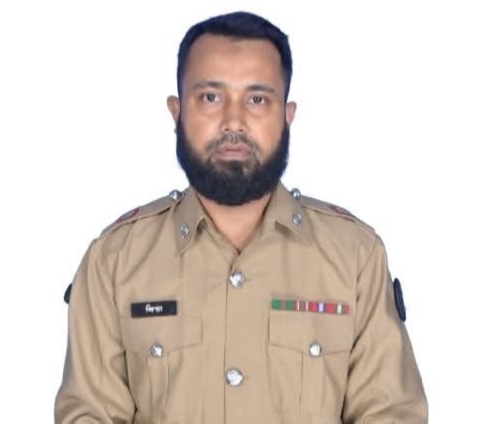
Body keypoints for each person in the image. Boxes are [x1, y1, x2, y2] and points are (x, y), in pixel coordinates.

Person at [55, 11, 428, 424]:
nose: (233, 122)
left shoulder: (355, 257)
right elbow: (89, 413)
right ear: (177, 112)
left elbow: (390, 414)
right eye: (210, 98)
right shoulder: (115, 261)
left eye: (257, 99)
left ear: (287, 115)